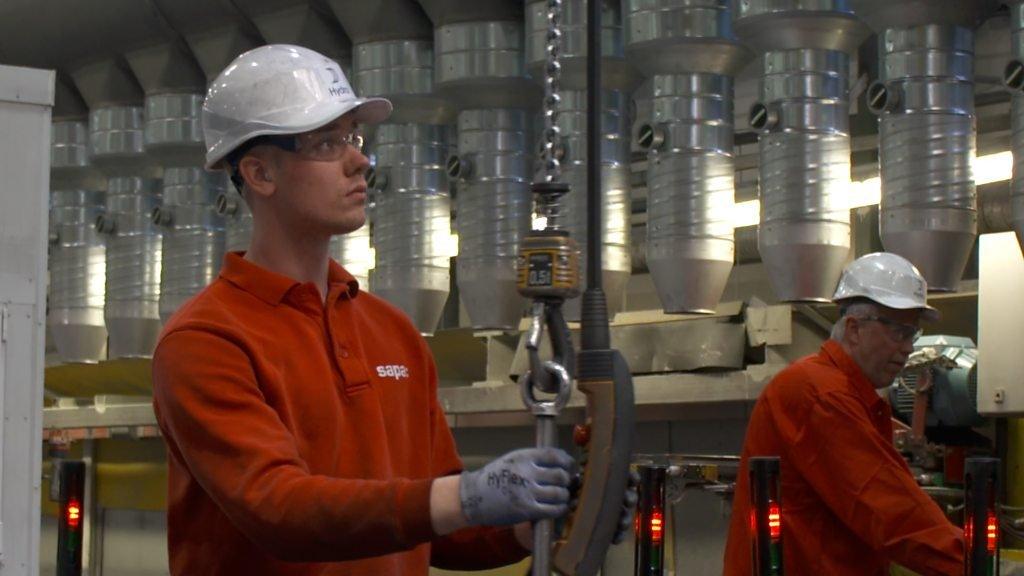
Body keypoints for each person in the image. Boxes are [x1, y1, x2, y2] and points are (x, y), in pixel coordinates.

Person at [152, 44, 631, 575]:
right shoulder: (205, 340)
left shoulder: (392, 332)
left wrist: (534, 516)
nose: (361, 160)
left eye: (354, 137)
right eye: (327, 142)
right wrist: (469, 495)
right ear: (261, 173)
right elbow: (278, 509)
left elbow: (440, 530)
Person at [723, 252, 965, 575]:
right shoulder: (819, 393)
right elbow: (890, 509)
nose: (908, 347)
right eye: (899, 332)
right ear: (854, 329)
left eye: (913, 334)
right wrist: (979, 563)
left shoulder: (847, 395)